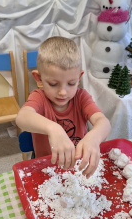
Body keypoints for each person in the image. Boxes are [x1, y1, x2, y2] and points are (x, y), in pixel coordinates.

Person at [16, 37, 111, 178]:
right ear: (39, 78)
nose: (63, 92)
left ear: (79, 78)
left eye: (71, 83)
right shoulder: (39, 97)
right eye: (53, 84)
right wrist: (54, 128)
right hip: (47, 167)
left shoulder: (81, 97)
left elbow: (103, 122)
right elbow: (22, 117)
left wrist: (94, 137)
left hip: (76, 165)